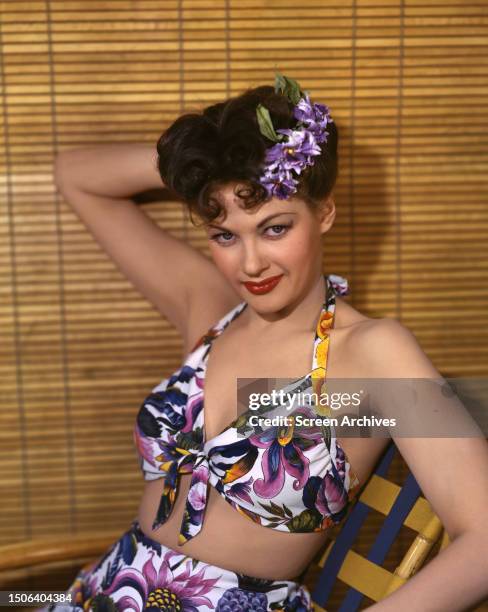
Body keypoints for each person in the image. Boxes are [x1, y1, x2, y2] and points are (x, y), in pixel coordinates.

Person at [44, 73, 488, 611]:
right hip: (96, 592)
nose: (251, 264)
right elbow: (75, 176)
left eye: (275, 227)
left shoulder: (373, 352)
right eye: (224, 235)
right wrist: (211, 162)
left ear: (323, 212)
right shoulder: (212, 311)